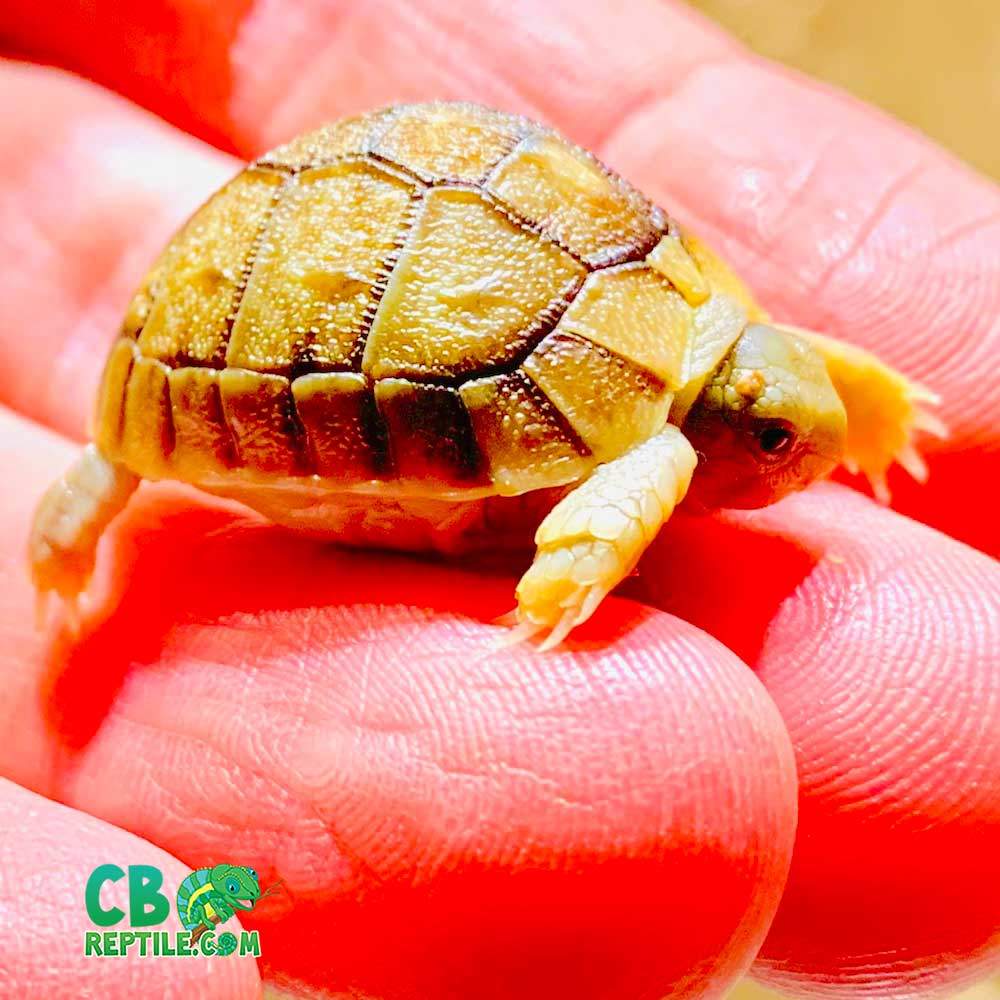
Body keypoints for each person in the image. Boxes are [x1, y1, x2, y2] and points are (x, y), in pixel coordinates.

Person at [0, 1, 997, 997]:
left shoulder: (701, 329)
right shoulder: (651, 448)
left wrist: (866, 414)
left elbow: (782, 369)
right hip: (276, 312)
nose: (793, 457)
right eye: (772, 443)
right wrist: (575, 568)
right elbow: (637, 473)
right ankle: (96, 488)